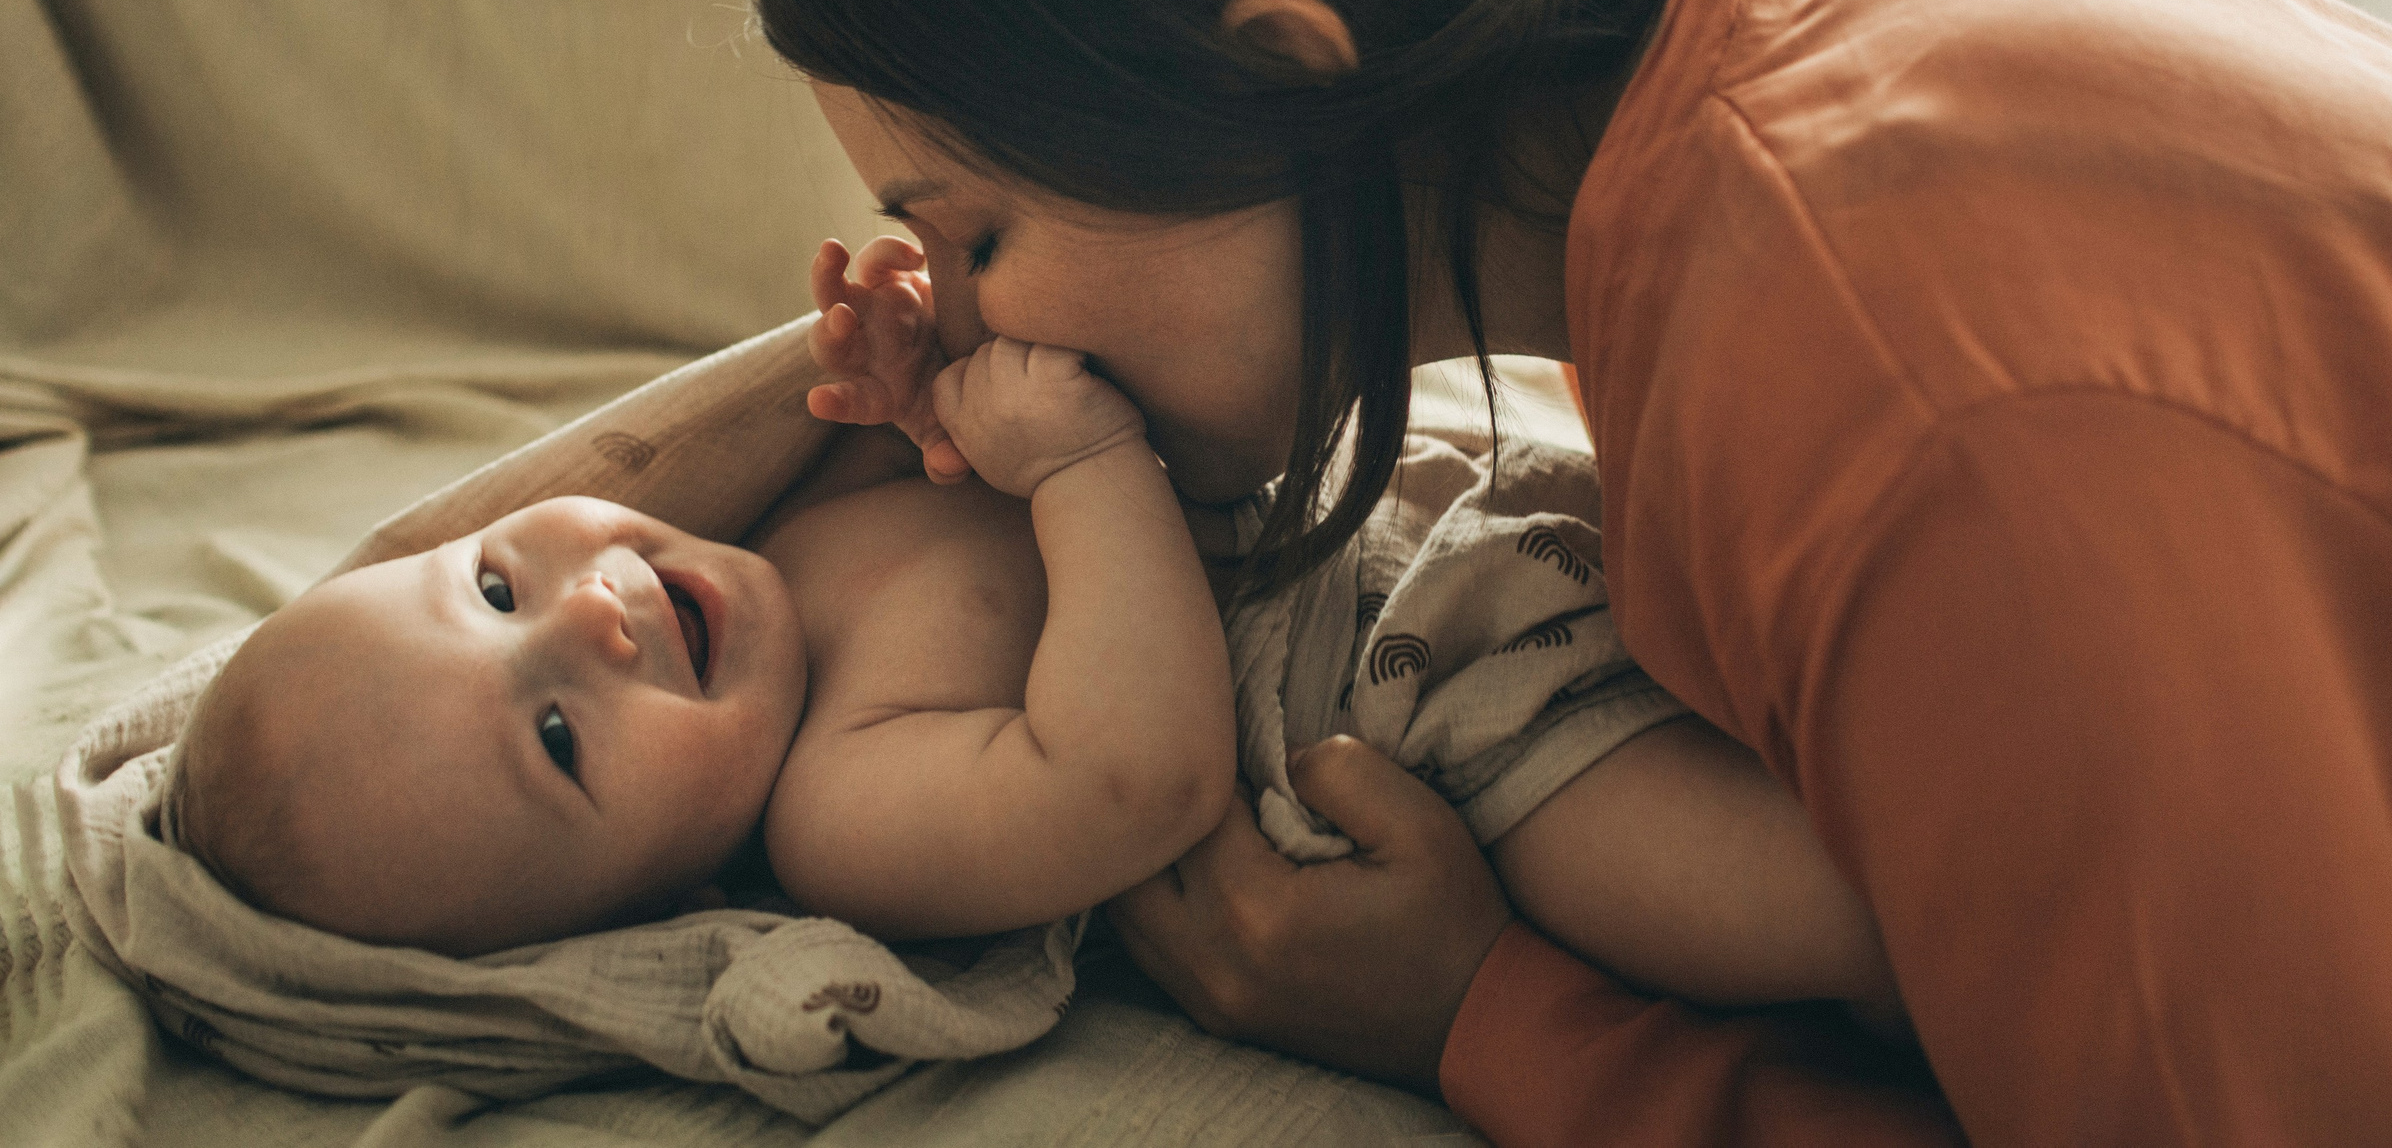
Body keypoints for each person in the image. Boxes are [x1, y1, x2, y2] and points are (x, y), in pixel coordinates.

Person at [747, 0, 2392, 1145]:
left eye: (972, 237)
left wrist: (1495, 1022)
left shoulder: (1921, 422)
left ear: (1279, 74)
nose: (964, 315)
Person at [164, 247, 1905, 1034]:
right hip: (1450, 733)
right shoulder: (845, 807)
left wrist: (922, 363)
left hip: (1461, 500)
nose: (589, 619)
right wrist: (1074, 464)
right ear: (641, 904)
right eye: (558, 742)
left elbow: (1020, 401)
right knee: (1854, 914)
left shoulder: (772, 517)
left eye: (489, 588)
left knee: (1900, 623)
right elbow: (1132, 773)